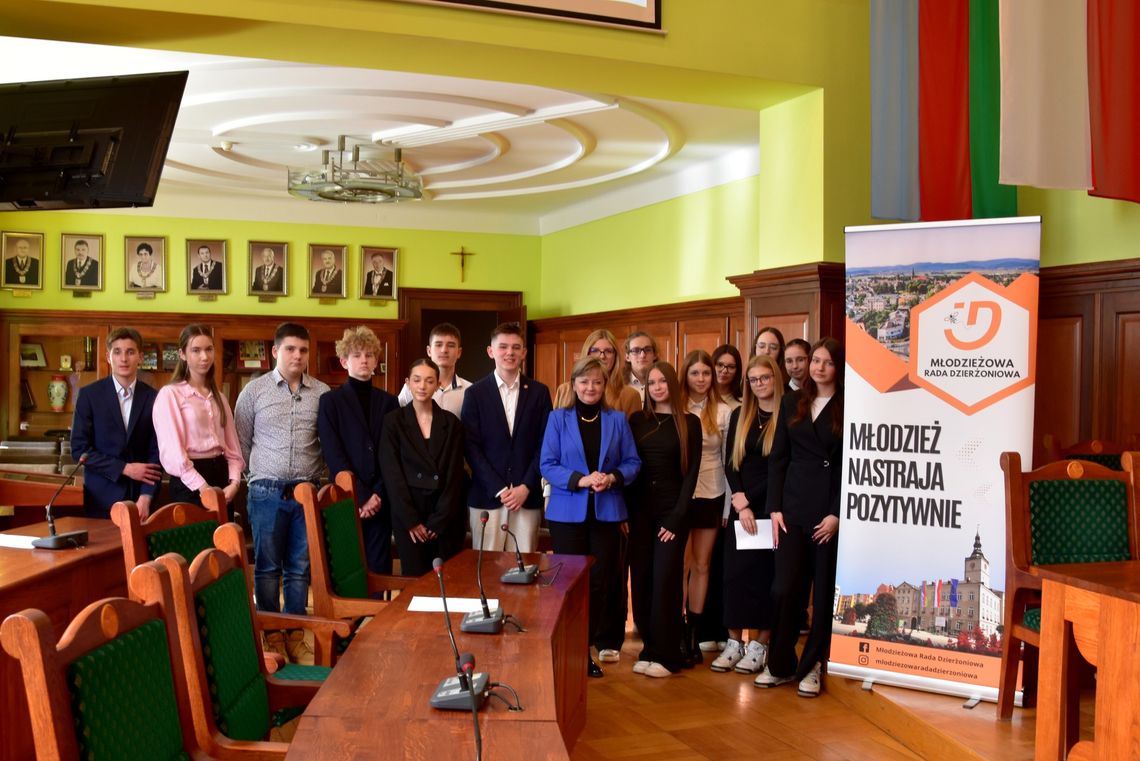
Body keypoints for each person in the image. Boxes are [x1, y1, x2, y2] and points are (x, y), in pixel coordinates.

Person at [234, 322, 330, 663]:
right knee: (267, 567)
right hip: (266, 491)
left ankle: (294, 632)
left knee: (299, 567)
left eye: (303, 350)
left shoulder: (322, 392)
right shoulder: (254, 392)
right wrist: (256, 476)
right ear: (275, 351)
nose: (297, 356)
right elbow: (241, 442)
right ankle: (270, 634)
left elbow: (325, 443)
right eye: (290, 349)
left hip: (306, 491)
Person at [540, 355, 640, 678]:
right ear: (574, 384)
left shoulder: (617, 421)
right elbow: (547, 464)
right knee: (568, 584)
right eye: (584, 381)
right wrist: (581, 480)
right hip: (567, 512)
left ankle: (584, 649)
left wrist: (610, 478)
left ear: (605, 384)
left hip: (607, 511)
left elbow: (632, 463)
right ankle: (565, 649)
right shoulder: (558, 419)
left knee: (600, 583)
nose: (591, 387)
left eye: (597, 381)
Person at [756, 337, 844, 698]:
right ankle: (779, 665)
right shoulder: (793, 400)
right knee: (783, 588)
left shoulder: (849, 405)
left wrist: (838, 513)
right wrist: (774, 508)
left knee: (822, 594)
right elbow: (778, 458)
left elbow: (849, 466)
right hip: (791, 509)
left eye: (827, 362)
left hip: (827, 514)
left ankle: (812, 667)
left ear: (838, 368)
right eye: (816, 361)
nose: (819, 368)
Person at [626, 361, 701, 677]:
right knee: (641, 581)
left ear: (672, 384)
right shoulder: (637, 420)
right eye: (651, 382)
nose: (657, 387)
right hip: (639, 512)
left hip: (672, 513)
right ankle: (649, 648)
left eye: (662, 381)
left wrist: (677, 518)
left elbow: (691, 476)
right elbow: (629, 466)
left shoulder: (690, 423)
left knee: (666, 581)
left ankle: (668, 655)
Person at [711, 354, 782, 675]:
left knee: (765, 579)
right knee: (734, 577)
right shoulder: (741, 413)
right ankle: (734, 642)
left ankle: (759, 645)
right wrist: (741, 503)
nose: (759, 384)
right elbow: (730, 462)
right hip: (743, 508)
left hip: (773, 508)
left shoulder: (788, 415)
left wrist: (758, 505)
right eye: (753, 380)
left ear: (775, 378)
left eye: (764, 378)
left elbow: (780, 468)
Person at [461, 322, 552, 552]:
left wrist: (526, 486)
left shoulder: (539, 393)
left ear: (524, 352)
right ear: (491, 351)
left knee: (524, 571)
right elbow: (470, 446)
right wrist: (500, 489)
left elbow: (546, 443)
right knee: (487, 572)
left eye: (515, 347)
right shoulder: (475, 393)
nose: (509, 352)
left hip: (526, 497)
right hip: (487, 497)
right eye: (503, 347)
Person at [318, 326, 400, 574]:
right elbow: (333, 454)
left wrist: (377, 495)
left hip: (380, 499)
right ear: (344, 361)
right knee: (347, 568)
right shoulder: (330, 401)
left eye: (369, 355)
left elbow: (391, 454)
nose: (363, 360)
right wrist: (362, 495)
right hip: (345, 496)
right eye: (356, 355)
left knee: (378, 567)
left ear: (376, 360)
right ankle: (352, 615)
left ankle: (378, 614)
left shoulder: (389, 401)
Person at [380, 358, 466, 577]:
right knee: (415, 582)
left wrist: (439, 521)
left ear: (437, 385)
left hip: (445, 517)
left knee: (448, 582)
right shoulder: (393, 422)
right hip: (409, 515)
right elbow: (392, 475)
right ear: (408, 383)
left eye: (429, 381)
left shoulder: (451, 423)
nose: (422, 386)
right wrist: (411, 521)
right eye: (417, 380)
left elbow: (454, 476)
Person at [70, 327, 162, 519]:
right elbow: (80, 450)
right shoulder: (89, 396)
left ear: (141, 357)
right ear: (108, 357)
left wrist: (146, 497)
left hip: (141, 501)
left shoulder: (154, 398)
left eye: (130, 352)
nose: (124, 359)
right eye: (117, 352)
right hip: (100, 499)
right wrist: (125, 468)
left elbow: (156, 453)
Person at [152, 324, 244, 510]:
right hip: (190, 481)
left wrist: (234, 483)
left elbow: (233, 449)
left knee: (225, 538)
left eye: (209, 349)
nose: (204, 356)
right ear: (183, 354)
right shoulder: (170, 395)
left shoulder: (219, 397)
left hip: (221, 477)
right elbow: (173, 452)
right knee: (195, 538)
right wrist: (203, 488)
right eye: (196, 350)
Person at [679, 349, 732, 664]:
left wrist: (726, 507)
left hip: (712, 493)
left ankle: (693, 634)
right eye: (695, 373)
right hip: (682, 496)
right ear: (685, 375)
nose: (701, 379)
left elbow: (728, 462)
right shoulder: (675, 408)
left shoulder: (723, 412)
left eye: (706, 373)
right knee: (680, 566)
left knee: (701, 565)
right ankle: (677, 630)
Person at [553, 329, 642, 416]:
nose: (602, 356)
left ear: (615, 357)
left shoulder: (630, 396)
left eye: (608, 351)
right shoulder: (563, 390)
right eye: (595, 350)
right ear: (586, 353)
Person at [397, 322, 471, 416]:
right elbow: (399, 420)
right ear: (429, 350)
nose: (444, 350)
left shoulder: (470, 390)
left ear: (459, 352)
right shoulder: (412, 388)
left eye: (451, 345)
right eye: (438, 345)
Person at [622, 332, 658, 400]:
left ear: (655, 355)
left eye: (647, 350)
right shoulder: (618, 385)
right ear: (627, 357)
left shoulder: (665, 385)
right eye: (636, 350)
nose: (642, 355)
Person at [711, 344, 743, 409]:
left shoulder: (742, 402)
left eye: (731, 367)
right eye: (720, 365)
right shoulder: (702, 398)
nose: (725, 371)